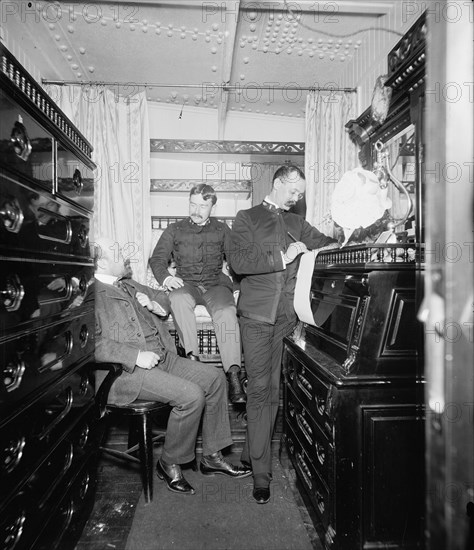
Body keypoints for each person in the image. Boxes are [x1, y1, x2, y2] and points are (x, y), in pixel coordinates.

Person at [94, 237, 251, 496]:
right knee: (191, 396)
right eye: (118, 252)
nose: (125, 254)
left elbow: (164, 297)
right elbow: (89, 343)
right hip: (125, 372)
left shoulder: (129, 284)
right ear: (101, 261)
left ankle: (211, 456)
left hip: (162, 358)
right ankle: (168, 463)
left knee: (214, 378)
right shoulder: (90, 295)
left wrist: (155, 304)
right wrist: (133, 355)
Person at [228, 165, 338, 504]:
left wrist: (354, 236)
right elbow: (238, 261)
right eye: (293, 191)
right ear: (278, 183)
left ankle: (251, 454)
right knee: (261, 390)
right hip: (257, 318)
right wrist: (282, 255)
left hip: (288, 320)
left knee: (273, 390)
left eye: (302, 193)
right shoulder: (246, 217)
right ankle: (262, 474)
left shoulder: (297, 222)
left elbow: (331, 247)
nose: (297, 197)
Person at [149, 184, 246, 404]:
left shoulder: (223, 229)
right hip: (187, 283)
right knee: (177, 298)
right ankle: (192, 361)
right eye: (193, 204)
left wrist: (238, 288)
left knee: (227, 311)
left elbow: (236, 263)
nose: (197, 210)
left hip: (216, 285)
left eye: (203, 205)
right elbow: (157, 260)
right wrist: (166, 278)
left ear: (212, 206)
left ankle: (233, 375)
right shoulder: (174, 229)